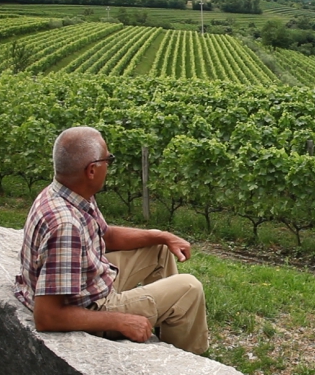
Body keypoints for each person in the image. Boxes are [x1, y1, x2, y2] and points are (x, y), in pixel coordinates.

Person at [15, 126, 208, 354]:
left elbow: (107, 236)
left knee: (158, 248)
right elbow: (47, 316)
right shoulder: (65, 226)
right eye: (108, 159)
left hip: (89, 282)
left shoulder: (69, 194)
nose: (109, 165)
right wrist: (119, 320)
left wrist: (162, 236)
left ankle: (170, 324)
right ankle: (188, 360)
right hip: (91, 306)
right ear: (91, 170)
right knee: (189, 288)